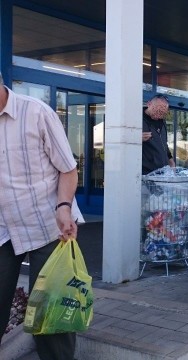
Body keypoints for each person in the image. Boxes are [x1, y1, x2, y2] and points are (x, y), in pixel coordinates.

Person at [0, 72, 79, 359]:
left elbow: (68, 169)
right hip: (3, 229)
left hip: (49, 224)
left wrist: (64, 207)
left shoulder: (36, 113)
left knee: (52, 315)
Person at [142, 94, 175, 175]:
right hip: (145, 173)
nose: (158, 115)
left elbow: (163, 144)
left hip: (162, 173)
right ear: (149, 104)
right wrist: (134, 138)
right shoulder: (135, 119)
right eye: (157, 111)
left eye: (162, 113)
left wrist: (171, 160)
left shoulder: (162, 122)